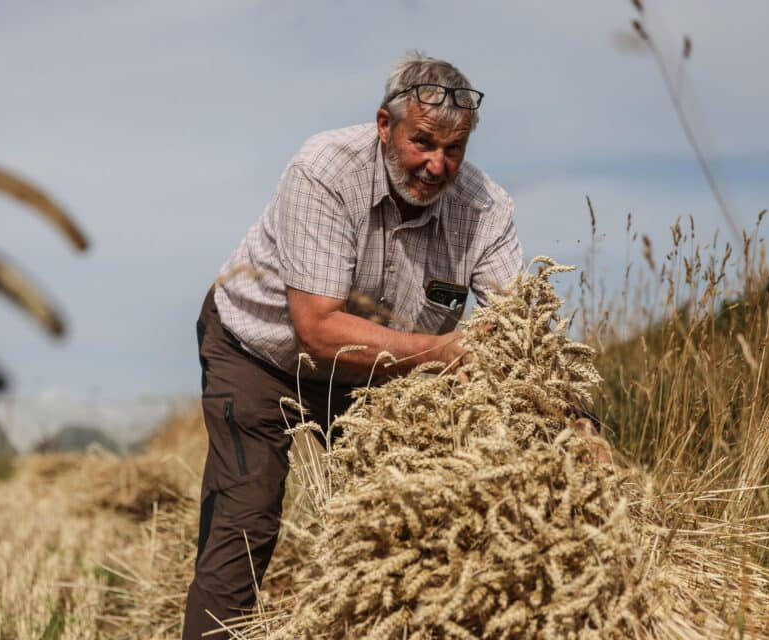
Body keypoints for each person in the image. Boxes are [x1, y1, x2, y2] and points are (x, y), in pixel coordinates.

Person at [182, 52, 524, 639]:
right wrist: (443, 353)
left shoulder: (485, 210)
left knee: (409, 523)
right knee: (248, 518)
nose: (437, 165)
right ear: (385, 125)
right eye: (422, 142)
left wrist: (577, 422)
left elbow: (519, 335)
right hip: (260, 351)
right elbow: (316, 329)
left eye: (454, 149)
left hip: (378, 373)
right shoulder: (324, 171)